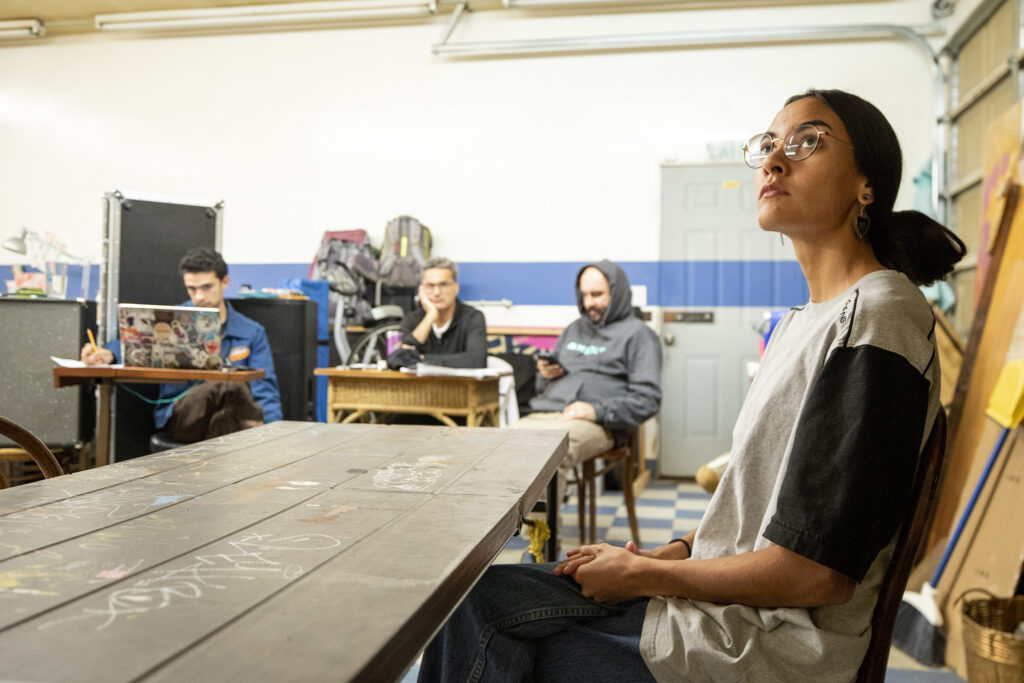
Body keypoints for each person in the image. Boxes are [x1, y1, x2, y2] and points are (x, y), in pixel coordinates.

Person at [417, 89, 966, 683]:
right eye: (769, 145)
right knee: (475, 591)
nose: (776, 160)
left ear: (867, 185)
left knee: (484, 620)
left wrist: (648, 577)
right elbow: (761, 510)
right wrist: (668, 551)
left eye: (807, 141)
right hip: (727, 610)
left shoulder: (875, 320)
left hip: (763, 646)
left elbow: (817, 573)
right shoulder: (805, 321)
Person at [81, 248, 282, 443]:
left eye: (206, 287)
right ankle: (254, 427)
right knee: (230, 383)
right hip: (181, 416)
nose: (199, 296)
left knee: (223, 420)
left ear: (225, 282)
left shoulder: (251, 332)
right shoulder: (171, 320)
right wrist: (108, 353)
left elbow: (265, 390)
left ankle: (252, 440)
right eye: (192, 289)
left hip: (231, 419)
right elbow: (136, 342)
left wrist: (274, 434)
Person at [514, 260, 662, 506]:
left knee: (547, 450)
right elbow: (542, 389)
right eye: (584, 295)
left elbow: (648, 400)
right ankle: (506, 535)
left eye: (597, 294)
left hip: (600, 423)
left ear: (618, 293)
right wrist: (546, 375)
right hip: (549, 412)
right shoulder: (574, 329)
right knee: (501, 446)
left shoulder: (640, 335)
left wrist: (596, 411)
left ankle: (541, 542)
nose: (588, 303)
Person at [390, 257, 487, 368]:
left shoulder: (472, 317)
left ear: (456, 288)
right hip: (420, 385)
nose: (436, 292)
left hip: (460, 384)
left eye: (443, 285)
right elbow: (398, 359)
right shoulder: (411, 319)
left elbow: (476, 360)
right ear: (421, 290)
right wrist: (430, 316)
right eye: (430, 286)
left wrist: (422, 358)